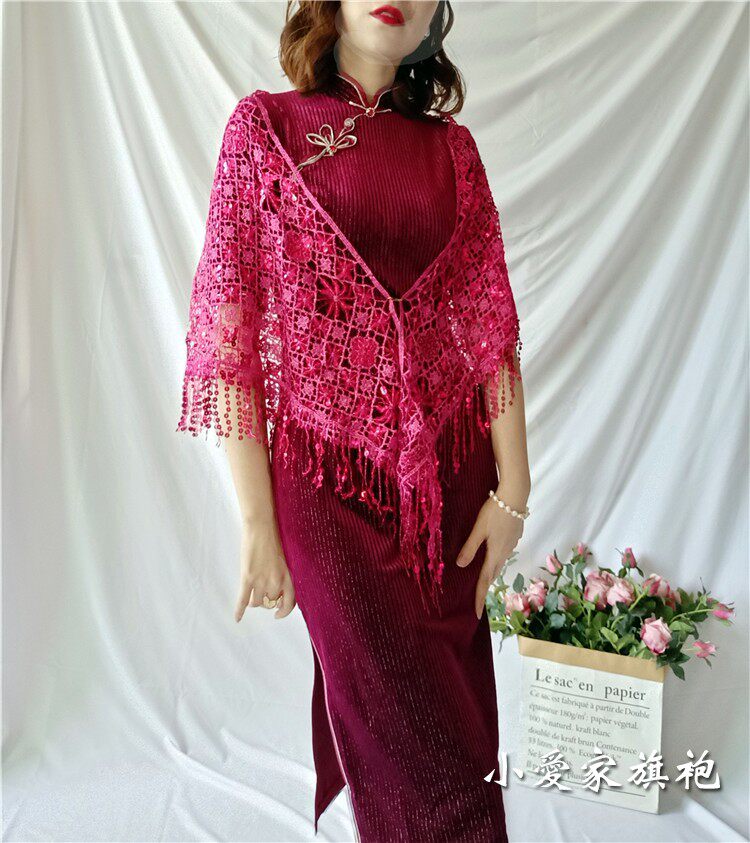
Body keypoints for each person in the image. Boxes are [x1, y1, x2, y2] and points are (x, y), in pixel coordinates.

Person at [177, 1, 530, 840]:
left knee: (459, 728)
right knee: (404, 739)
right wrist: (258, 524)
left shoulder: (452, 151)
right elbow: (232, 338)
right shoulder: (266, 131)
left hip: (452, 490)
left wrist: (514, 488)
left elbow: (490, 335)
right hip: (325, 486)